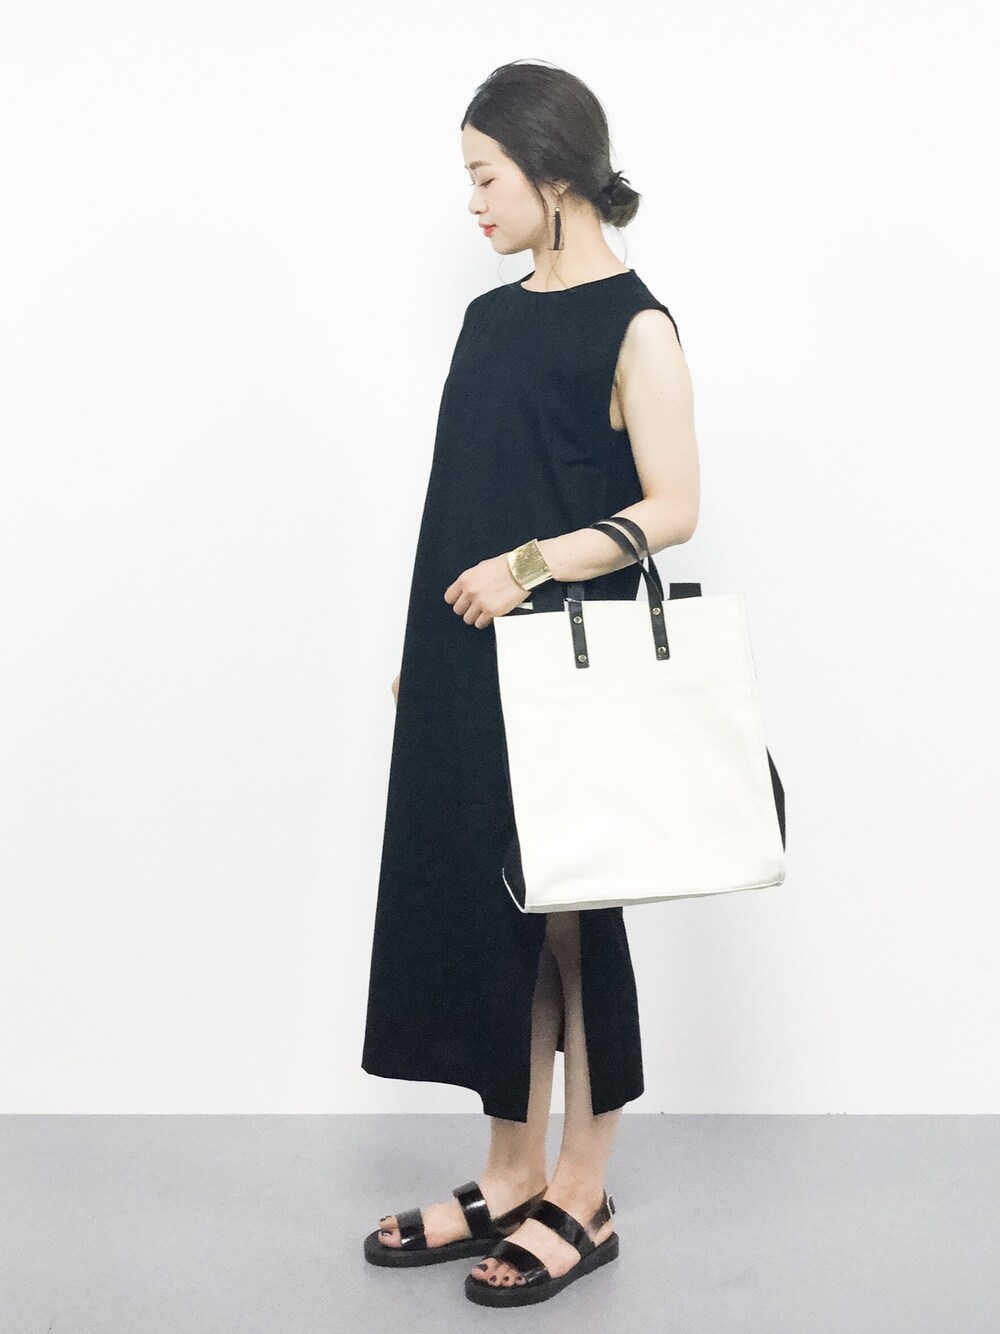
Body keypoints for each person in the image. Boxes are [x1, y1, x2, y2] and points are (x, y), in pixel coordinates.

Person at [361, 59, 699, 1307]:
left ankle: (583, 1186)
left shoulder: (637, 325)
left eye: (484, 176)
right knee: (487, 909)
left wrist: (526, 566)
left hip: (568, 664)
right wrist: (423, 647)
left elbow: (675, 506)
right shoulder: (487, 319)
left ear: (552, 174)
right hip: (467, 657)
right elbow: (456, 495)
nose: (472, 202)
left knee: (569, 914)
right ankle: (510, 1173)